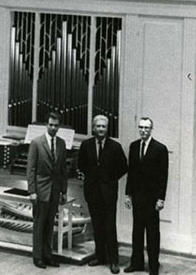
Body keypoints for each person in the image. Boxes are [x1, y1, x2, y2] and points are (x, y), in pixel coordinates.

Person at [78, 115, 128, 274]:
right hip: (92, 192)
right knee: (97, 225)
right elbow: (81, 165)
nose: (100, 129)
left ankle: (113, 261)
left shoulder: (115, 147)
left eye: (103, 126)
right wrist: (94, 179)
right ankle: (100, 256)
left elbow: (123, 167)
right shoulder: (86, 145)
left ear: (107, 129)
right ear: (93, 128)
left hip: (108, 193)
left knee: (109, 226)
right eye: (98, 126)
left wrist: (109, 180)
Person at [124, 117, 168, 275]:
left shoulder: (160, 149)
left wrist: (161, 199)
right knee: (137, 231)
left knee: (152, 234)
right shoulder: (134, 146)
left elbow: (163, 176)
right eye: (141, 127)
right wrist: (128, 195)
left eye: (146, 128)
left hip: (152, 200)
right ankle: (136, 263)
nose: (143, 130)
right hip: (137, 197)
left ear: (151, 129)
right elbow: (131, 173)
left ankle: (153, 266)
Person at [27, 111, 68, 269]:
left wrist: (63, 191)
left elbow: (63, 169)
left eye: (56, 125)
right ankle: (37, 257)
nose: (53, 128)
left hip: (55, 190)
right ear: (46, 125)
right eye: (50, 125)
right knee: (39, 225)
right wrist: (32, 191)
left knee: (50, 224)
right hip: (40, 190)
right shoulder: (36, 143)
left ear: (59, 127)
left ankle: (47, 255)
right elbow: (31, 169)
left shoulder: (62, 144)